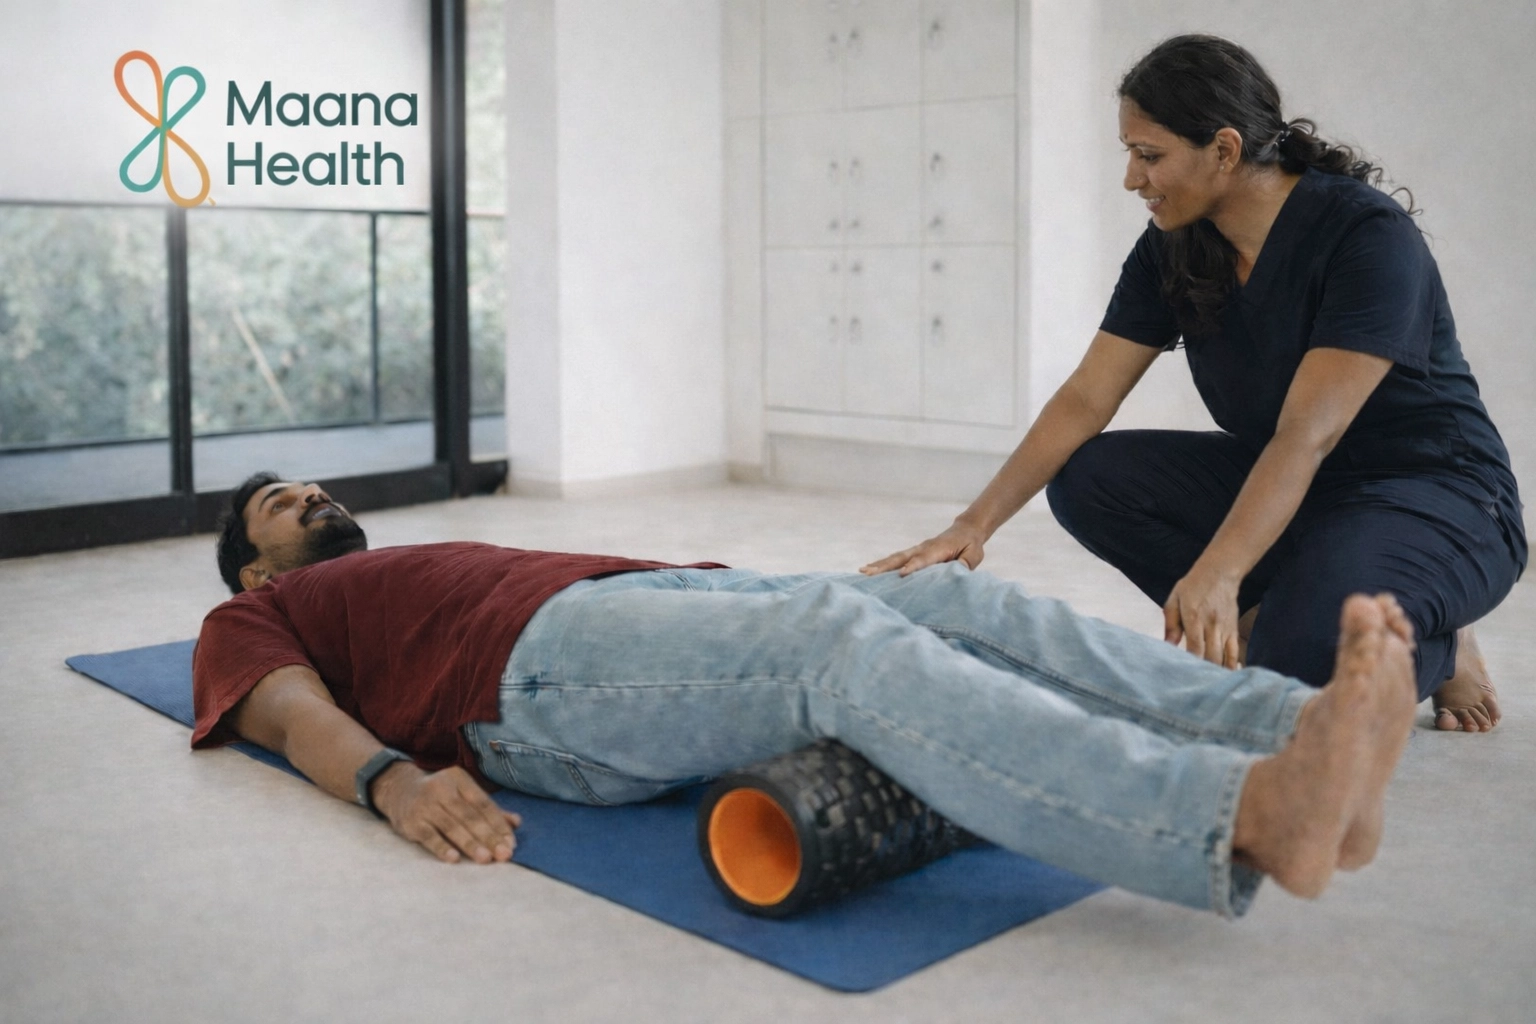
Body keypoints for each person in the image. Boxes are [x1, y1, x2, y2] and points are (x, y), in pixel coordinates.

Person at [192, 472, 1419, 919]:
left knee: (954, 596)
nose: (310, 497)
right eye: (280, 507)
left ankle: (1293, 729)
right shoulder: (250, 617)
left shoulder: (403, 559)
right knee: (837, 645)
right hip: (530, 673)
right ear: (256, 569)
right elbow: (285, 711)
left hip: (640, 602)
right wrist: (392, 783)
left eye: (307, 486)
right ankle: (1234, 815)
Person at [863, 34, 1524, 735]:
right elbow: (1087, 397)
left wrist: (1221, 569)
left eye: (1149, 155)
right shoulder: (1174, 246)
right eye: (1130, 154)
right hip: (1305, 490)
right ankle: (1281, 620)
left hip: (1438, 493)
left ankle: (1436, 644)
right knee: (1090, 478)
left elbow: (1309, 432)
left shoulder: (1365, 235)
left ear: (1225, 149)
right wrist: (971, 527)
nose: (1132, 179)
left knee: (1299, 679)